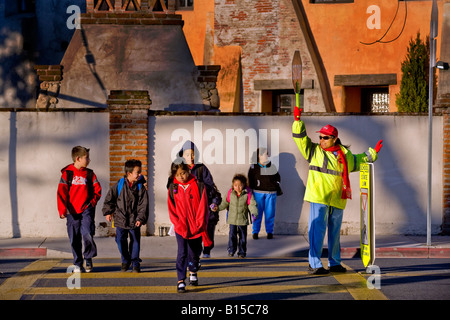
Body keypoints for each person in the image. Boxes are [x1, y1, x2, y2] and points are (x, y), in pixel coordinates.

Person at [292, 106, 383, 275]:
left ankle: (334, 263)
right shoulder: (313, 150)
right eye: (320, 137)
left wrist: (373, 153)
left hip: (337, 198)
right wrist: (298, 121)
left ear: (334, 138)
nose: (321, 140)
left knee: (335, 234)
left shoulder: (345, 154)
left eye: (325, 137)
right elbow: (300, 139)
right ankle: (315, 264)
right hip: (319, 197)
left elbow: (359, 160)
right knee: (316, 232)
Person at [170, 140, 222, 258]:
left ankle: (207, 249)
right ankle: (193, 256)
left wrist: (198, 185)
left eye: (193, 154)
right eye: (187, 154)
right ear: (182, 155)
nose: (191, 157)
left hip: (202, 204)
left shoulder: (201, 168)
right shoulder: (178, 168)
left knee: (207, 226)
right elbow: (171, 186)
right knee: (191, 234)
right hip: (187, 208)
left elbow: (211, 186)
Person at [167, 162, 211, 293]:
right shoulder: (173, 188)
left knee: (194, 252)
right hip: (181, 227)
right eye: (178, 174)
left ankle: (193, 271)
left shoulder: (198, 185)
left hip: (195, 227)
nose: (181, 177)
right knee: (182, 253)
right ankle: (180, 280)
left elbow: (203, 206)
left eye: (183, 173)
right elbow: (171, 208)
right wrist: (177, 223)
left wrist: (199, 223)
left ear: (188, 171)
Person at [57, 146, 102, 273]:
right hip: (72, 212)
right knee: (74, 238)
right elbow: (61, 193)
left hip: (87, 210)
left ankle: (88, 258)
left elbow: (97, 190)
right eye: (86, 157)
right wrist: (62, 210)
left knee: (87, 233)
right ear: (78, 158)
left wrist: (92, 203)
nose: (89, 160)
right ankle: (78, 263)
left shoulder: (90, 174)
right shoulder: (67, 174)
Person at [103, 159, 149, 273]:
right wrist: (108, 212)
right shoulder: (119, 185)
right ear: (129, 174)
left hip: (134, 219)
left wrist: (140, 218)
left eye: (140, 172)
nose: (140, 174)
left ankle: (135, 263)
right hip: (120, 218)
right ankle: (125, 260)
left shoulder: (140, 187)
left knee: (135, 242)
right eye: (137, 172)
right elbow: (110, 198)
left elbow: (144, 204)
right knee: (119, 240)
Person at [218, 174, 258, 258]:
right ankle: (231, 250)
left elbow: (252, 205)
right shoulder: (230, 193)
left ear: (244, 184)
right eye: (235, 185)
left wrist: (254, 213)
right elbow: (224, 203)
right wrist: (216, 208)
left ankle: (242, 252)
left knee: (242, 237)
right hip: (232, 220)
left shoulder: (248, 194)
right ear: (233, 185)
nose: (238, 187)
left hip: (242, 220)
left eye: (240, 185)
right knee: (232, 235)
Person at [248, 147, 282, 240]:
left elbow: (278, 178)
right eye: (263, 154)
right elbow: (250, 180)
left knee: (270, 213)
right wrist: (250, 193)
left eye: (267, 153)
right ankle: (255, 232)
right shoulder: (253, 167)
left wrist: (275, 185)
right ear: (258, 155)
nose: (266, 155)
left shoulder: (271, 166)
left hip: (271, 194)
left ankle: (270, 232)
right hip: (257, 193)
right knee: (257, 213)